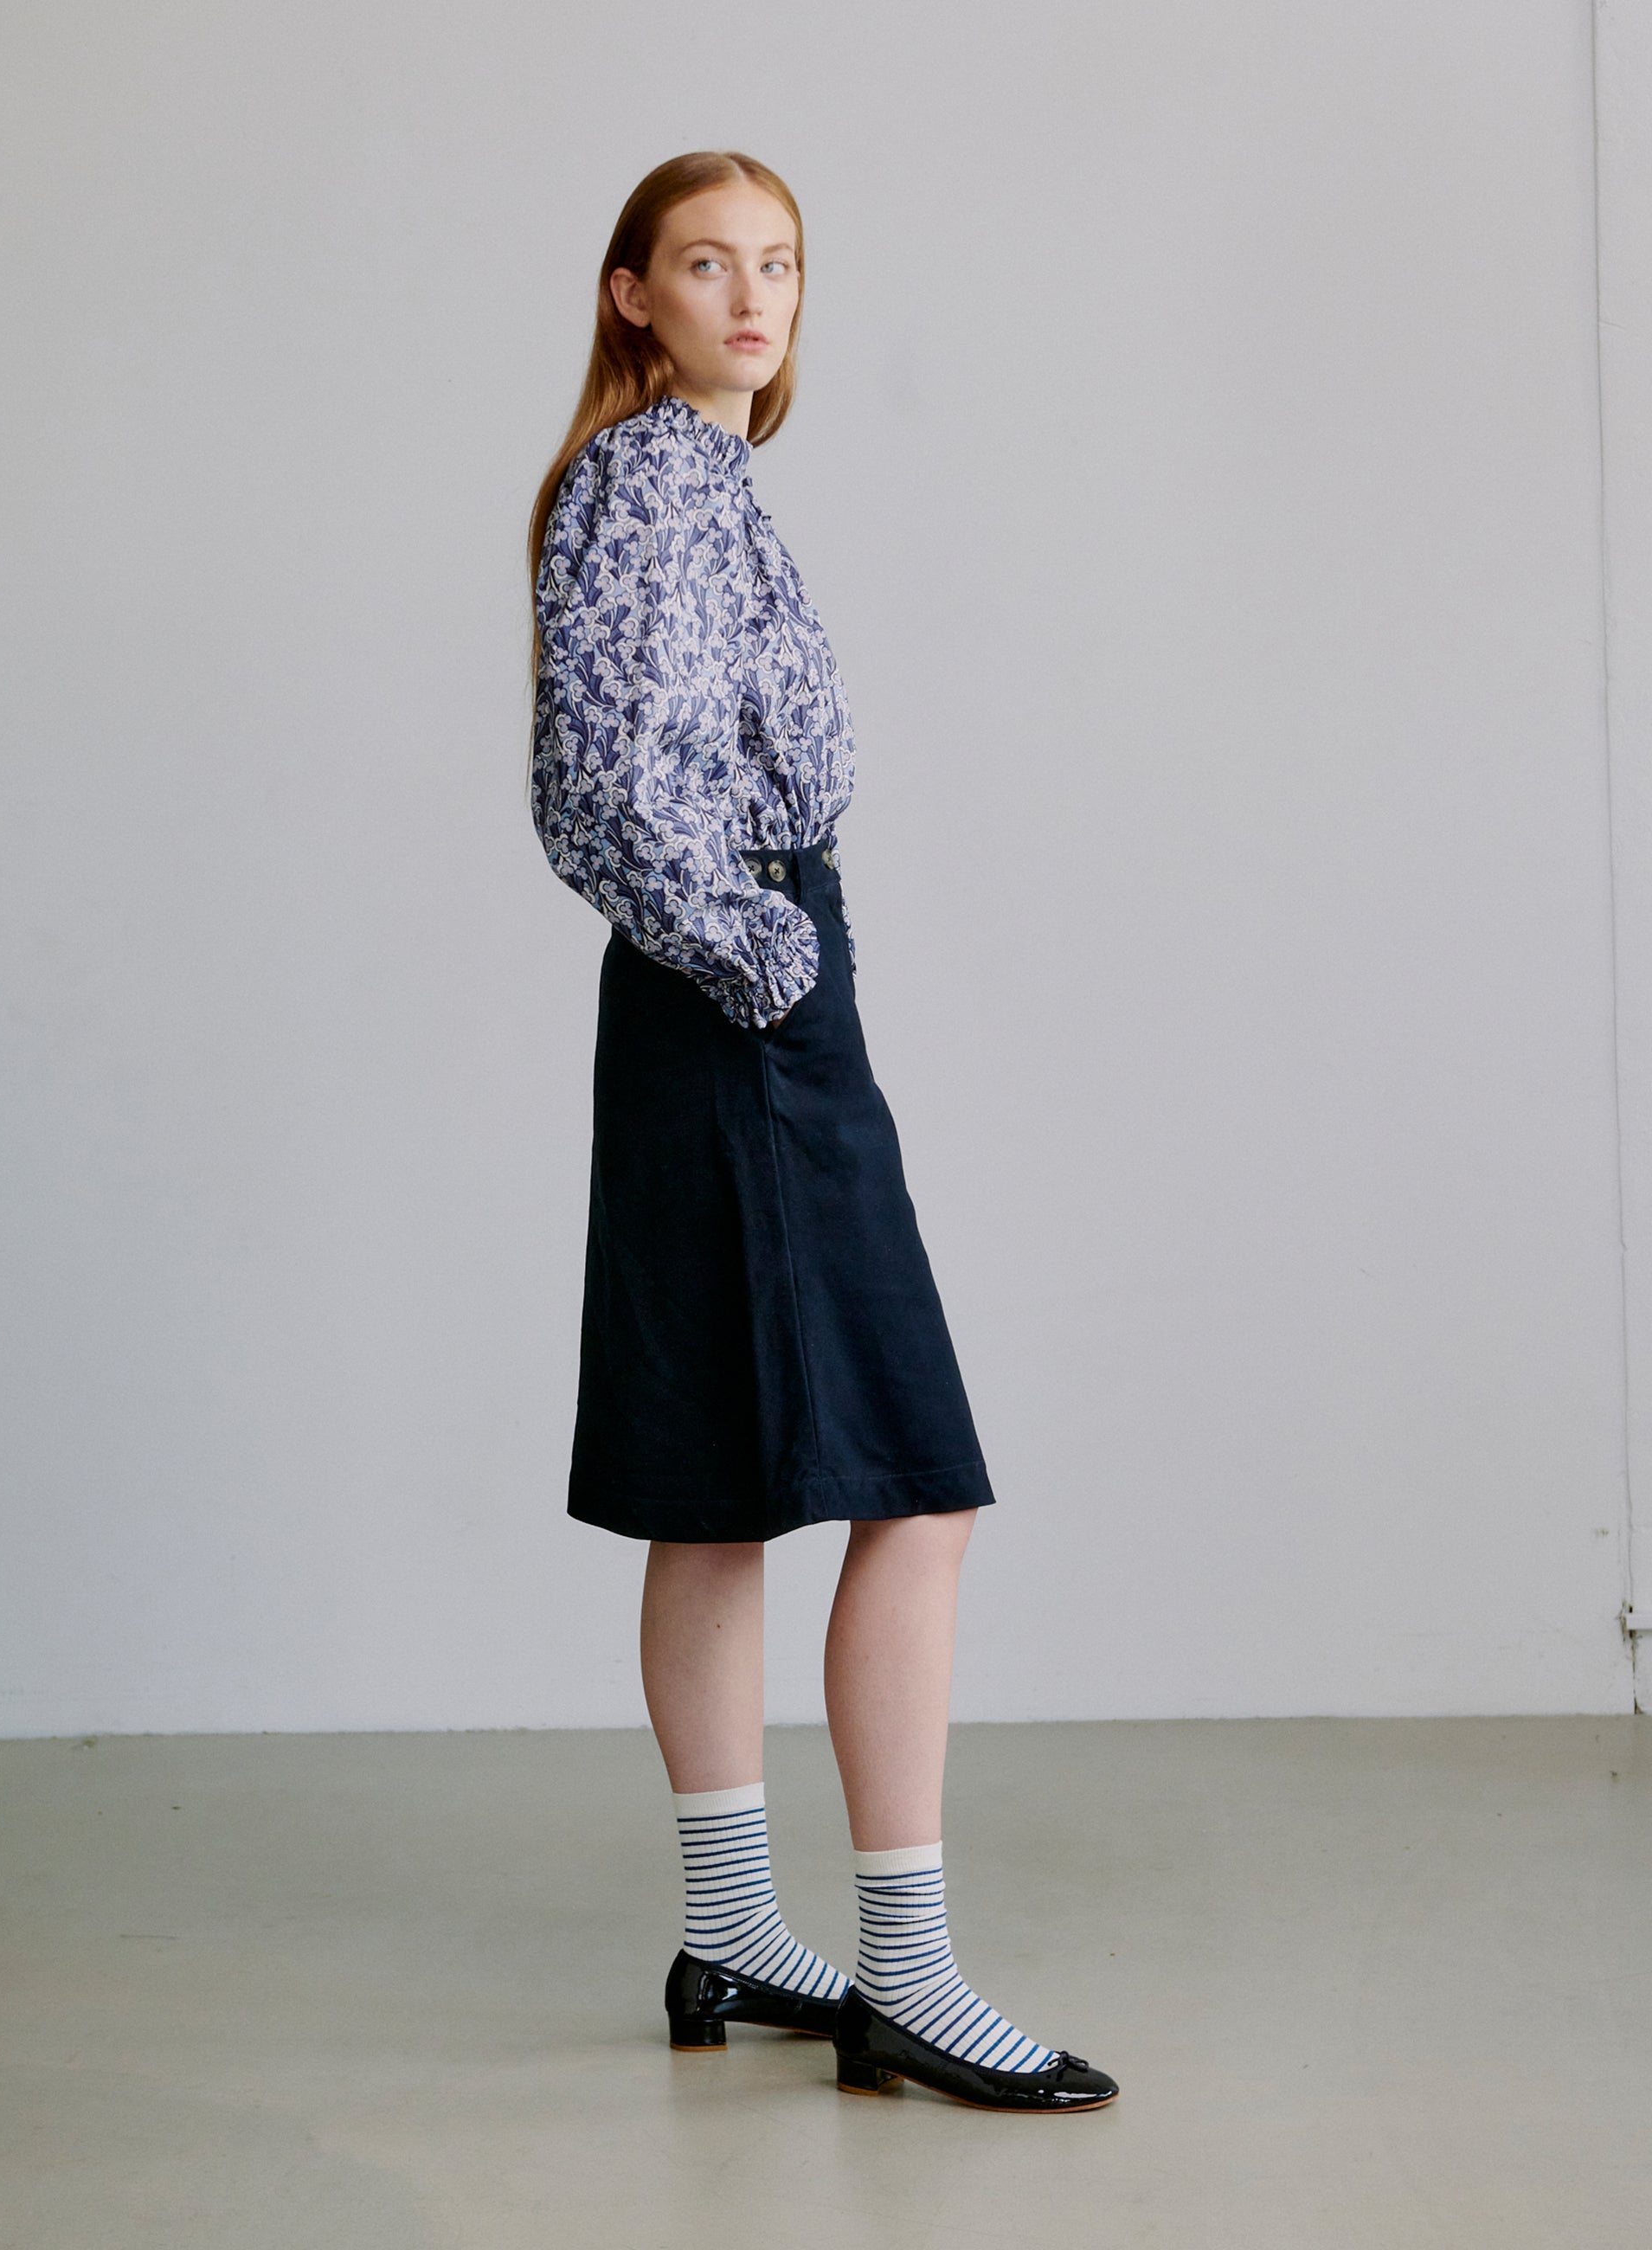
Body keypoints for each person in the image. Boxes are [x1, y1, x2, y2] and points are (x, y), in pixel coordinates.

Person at [526, 150, 1118, 2116]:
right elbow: (601, 794)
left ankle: (728, 1930)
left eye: (777, 262)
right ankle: (907, 1972)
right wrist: (767, 960)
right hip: (741, 1000)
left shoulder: (695, 482)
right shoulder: (650, 486)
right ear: (633, 293)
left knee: (716, 1483)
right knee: (911, 1480)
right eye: (707, 261)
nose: (752, 294)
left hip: (716, 1004)